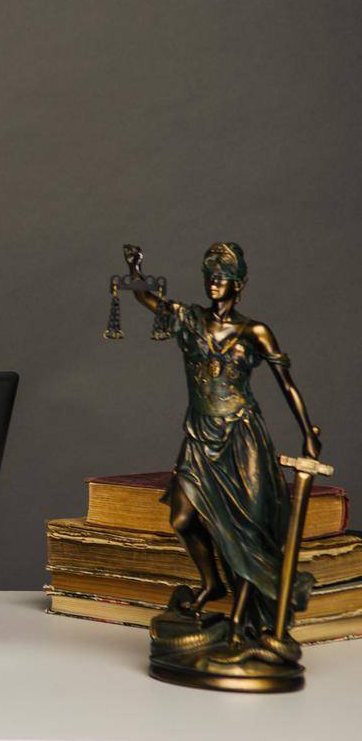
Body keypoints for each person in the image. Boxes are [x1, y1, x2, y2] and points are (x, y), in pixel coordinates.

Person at [124, 242, 321, 645]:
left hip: (241, 437)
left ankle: (239, 623)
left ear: (239, 284)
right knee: (182, 517)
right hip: (199, 434)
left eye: (222, 277)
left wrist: (308, 431)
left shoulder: (255, 331)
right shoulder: (190, 320)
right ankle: (212, 584)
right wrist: (136, 269)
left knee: (245, 529)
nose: (214, 283)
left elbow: (287, 383)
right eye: (209, 276)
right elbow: (148, 298)